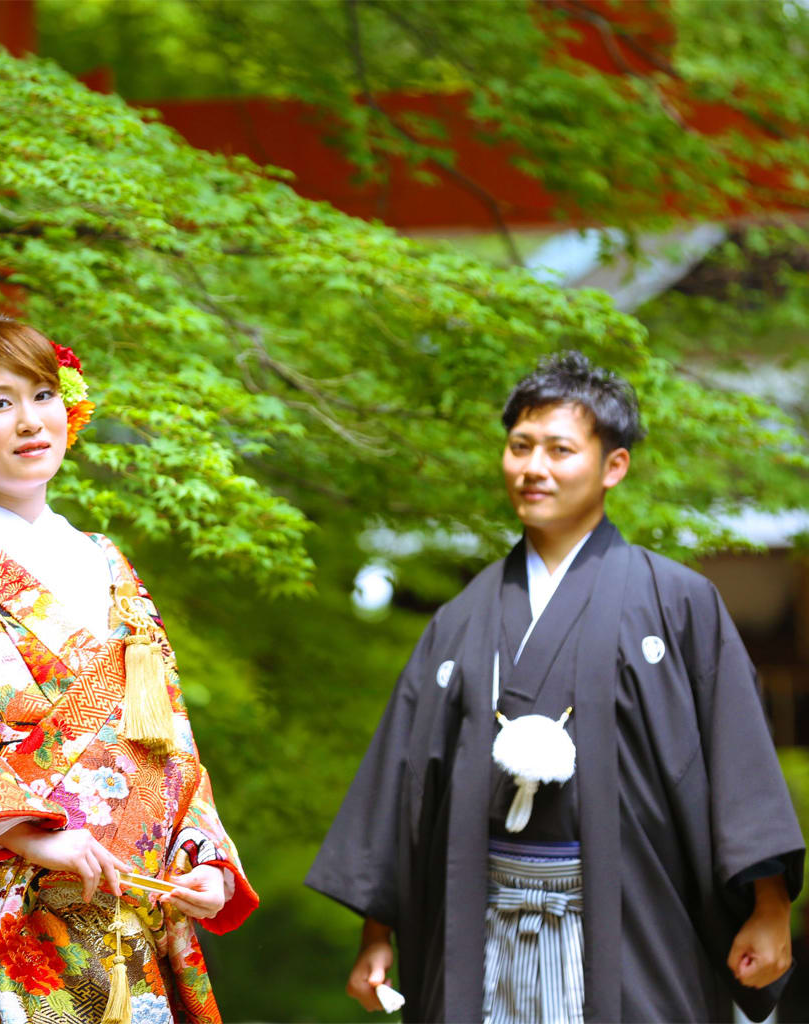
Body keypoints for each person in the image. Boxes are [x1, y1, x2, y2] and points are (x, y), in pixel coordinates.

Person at [305, 351, 804, 1023]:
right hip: (480, 921)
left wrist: (770, 907)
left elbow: (736, 759)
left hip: (632, 922)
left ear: (613, 466)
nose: (533, 468)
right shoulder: (461, 619)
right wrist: (377, 931)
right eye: (520, 447)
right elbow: (407, 775)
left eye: (560, 449)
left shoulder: (678, 603)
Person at [0, 316, 258, 1024]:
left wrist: (203, 861)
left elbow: (165, 733)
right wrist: (33, 835)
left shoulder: (109, 563)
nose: (30, 422)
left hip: (120, 905)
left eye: (43, 395)